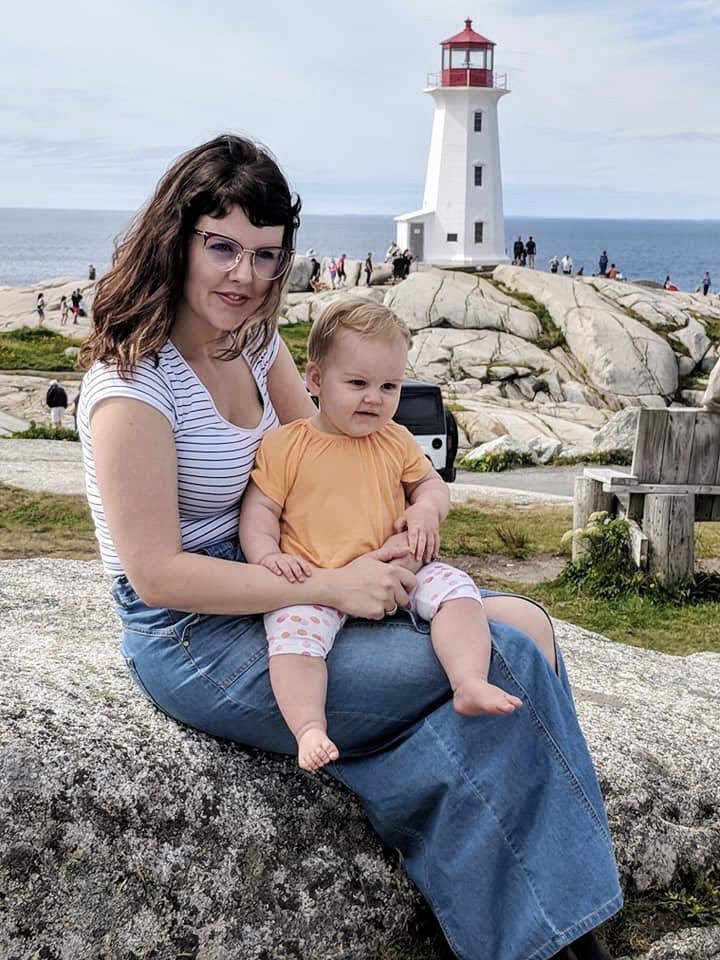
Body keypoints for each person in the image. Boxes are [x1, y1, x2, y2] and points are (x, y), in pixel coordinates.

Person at [75, 134, 621, 960]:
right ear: (175, 239)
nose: (245, 276)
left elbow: (327, 452)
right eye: (221, 247)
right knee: (507, 657)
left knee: (529, 628)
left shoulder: (255, 343)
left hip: (299, 582)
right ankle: (561, 943)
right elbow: (155, 575)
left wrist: (416, 504)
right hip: (198, 632)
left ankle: (534, 914)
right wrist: (331, 587)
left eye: (265, 254)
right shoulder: (132, 385)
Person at [239, 300, 522, 771]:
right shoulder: (288, 444)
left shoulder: (395, 438)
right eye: (357, 384)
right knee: (293, 643)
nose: (374, 398)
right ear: (315, 381)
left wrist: (427, 510)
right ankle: (309, 727)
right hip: (317, 579)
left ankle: (468, 680)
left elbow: (429, 483)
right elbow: (260, 510)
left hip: (397, 569)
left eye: (389, 386)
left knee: (458, 592)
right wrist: (267, 557)